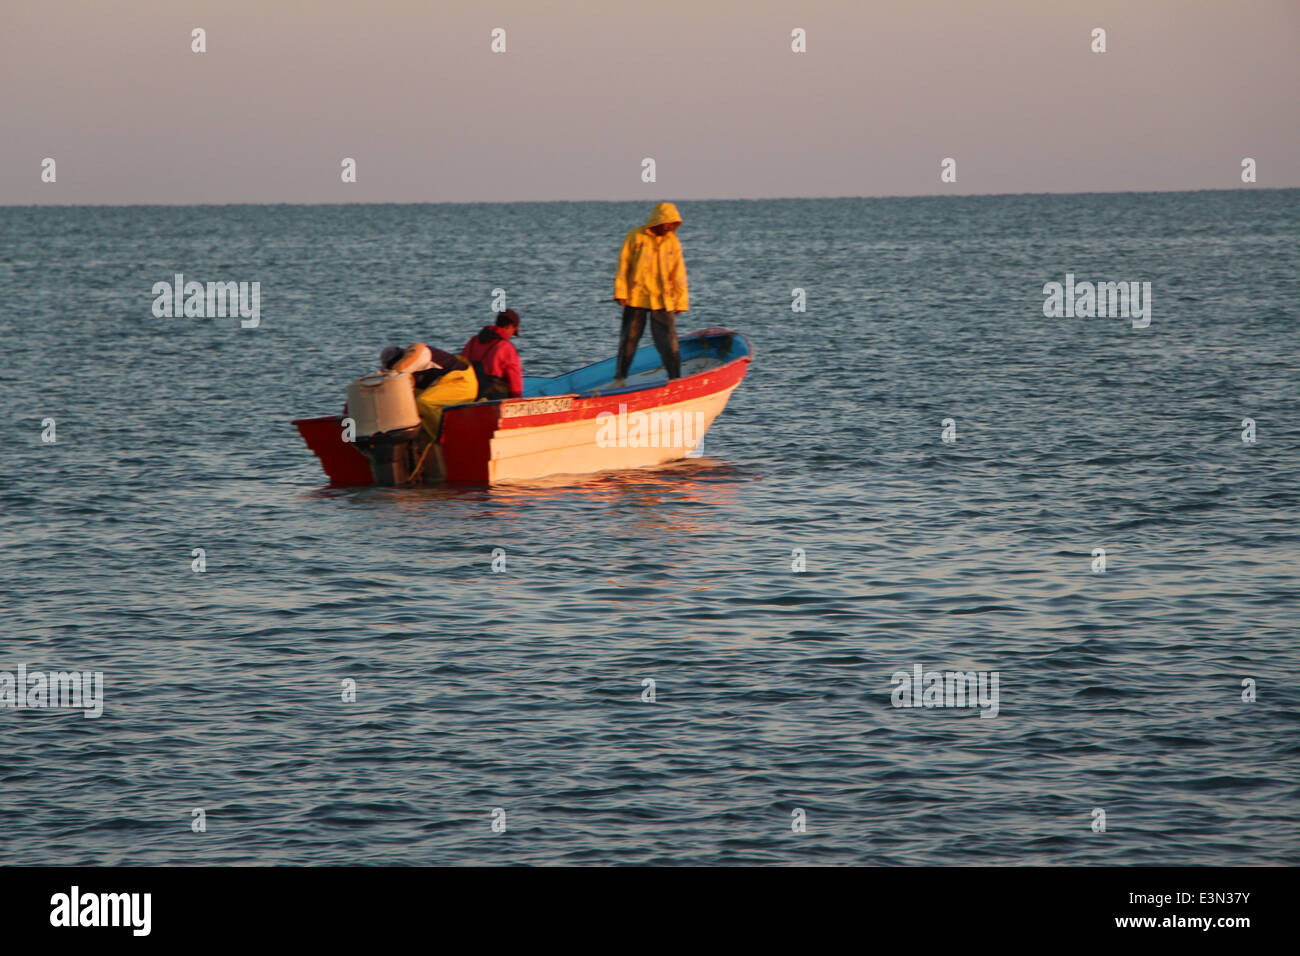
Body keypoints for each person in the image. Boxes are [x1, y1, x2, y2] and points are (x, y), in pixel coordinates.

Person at [613, 202, 689, 383]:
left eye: (673, 223)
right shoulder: (635, 236)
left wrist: (681, 302)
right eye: (667, 222)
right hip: (636, 297)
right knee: (629, 339)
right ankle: (620, 377)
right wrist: (621, 292)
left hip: (663, 299)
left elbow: (678, 273)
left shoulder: (672, 242)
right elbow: (623, 266)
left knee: (668, 343)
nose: (670, 227)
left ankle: (675, 379)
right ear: (658, 220)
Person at [385, 343, 478, 440]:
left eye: (392, 367)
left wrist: (390, 374)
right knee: (410, 404)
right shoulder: (411, 369)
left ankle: (449, 437)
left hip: (461, 383)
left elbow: (402, 367)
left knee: (423, 403)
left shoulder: (419, 354)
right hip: (448, 383)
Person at [462, 309, 524, 400]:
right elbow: (515, 379)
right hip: (494, 397)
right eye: (513, 332)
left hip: (471, 394)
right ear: (510, 326)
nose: (511, 336)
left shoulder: (473, 341)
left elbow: (461, 366)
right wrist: (518, 399)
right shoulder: (506, 347)